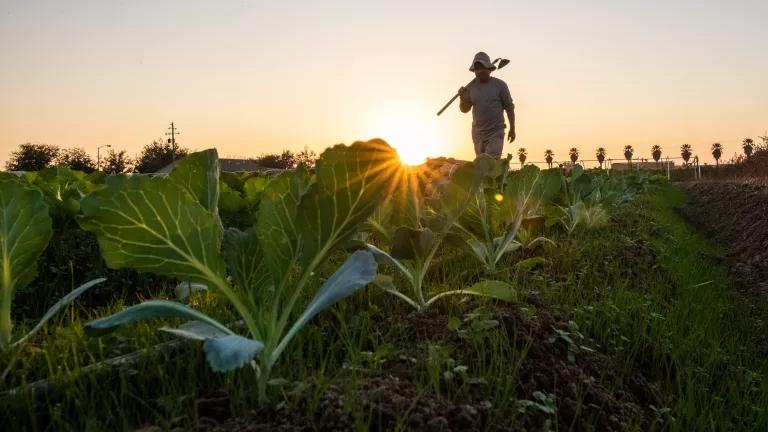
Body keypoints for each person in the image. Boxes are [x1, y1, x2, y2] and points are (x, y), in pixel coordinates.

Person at [458, 52, 515, 158]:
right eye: (478, 69)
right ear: (474, 71)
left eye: (483, 68)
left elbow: (509, 107)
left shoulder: (500, 85)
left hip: (496, 131)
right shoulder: (470, 88)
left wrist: (512, 128)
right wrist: (462, 98)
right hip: (478, 133)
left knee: (490, 162)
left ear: (489, 69)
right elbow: (464, 110)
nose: (481, 71)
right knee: (482, 165)